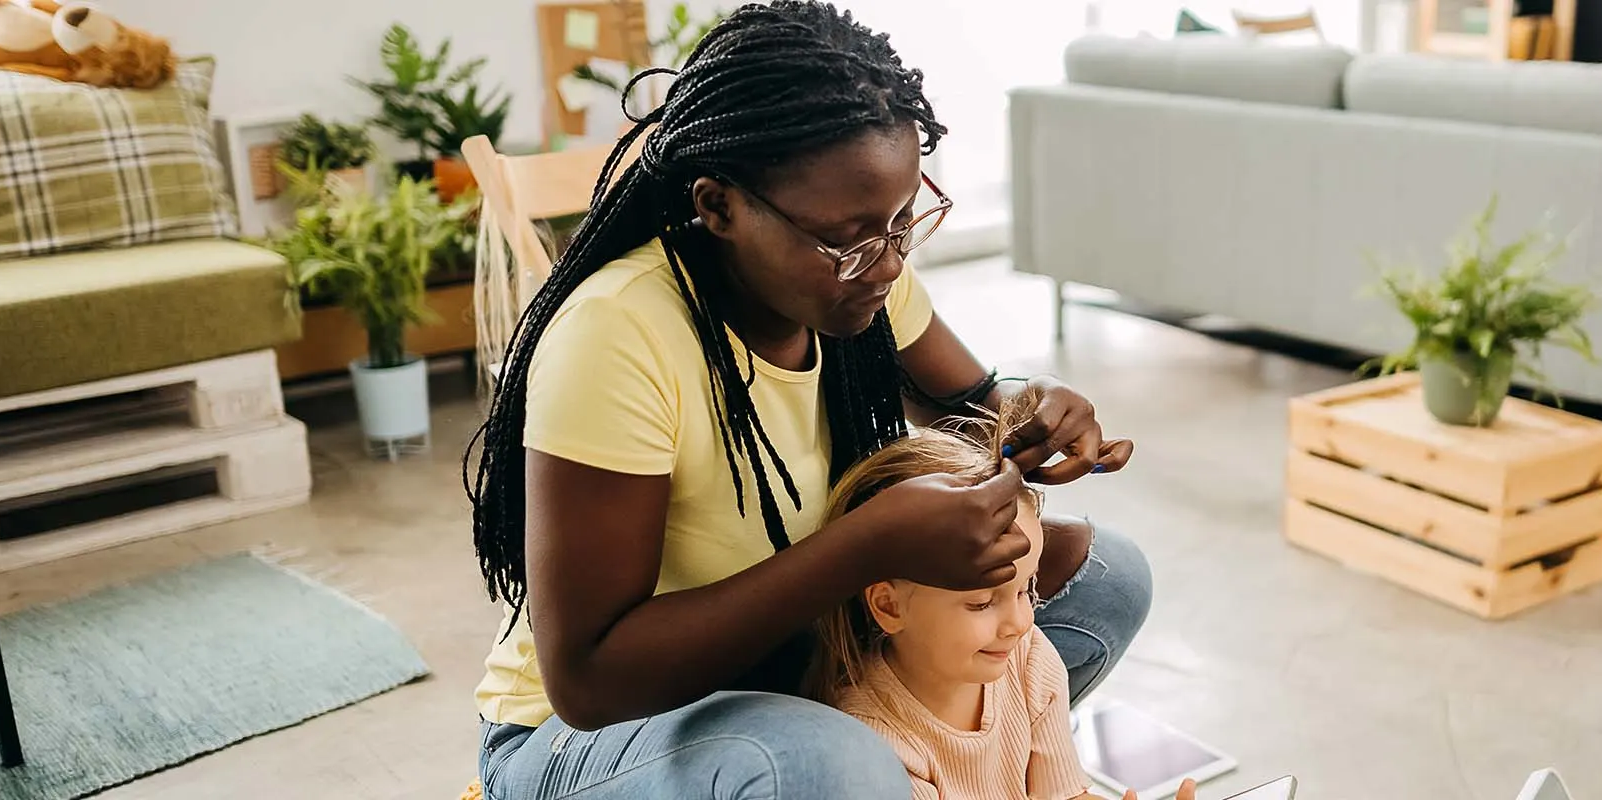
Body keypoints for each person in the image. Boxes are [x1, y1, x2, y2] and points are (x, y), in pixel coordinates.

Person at [462, 2, 1151, 798]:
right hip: (590, 735)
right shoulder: (615, 336)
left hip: (791, 668)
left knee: (1104, 575)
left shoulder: (855, 277)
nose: (889, 263)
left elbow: (971, 404)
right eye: (853, 239)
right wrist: (866, 545)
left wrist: (1032, 414)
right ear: (718, 205)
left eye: (901, 224)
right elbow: (589, 681)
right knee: (821, 763)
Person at [808, 388, 1130, 800]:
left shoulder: (1029, 659)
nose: (1021, 622)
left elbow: (1064, 794)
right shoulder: (875, 747)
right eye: (981, 603)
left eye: (1026, 588)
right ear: (888, 606)